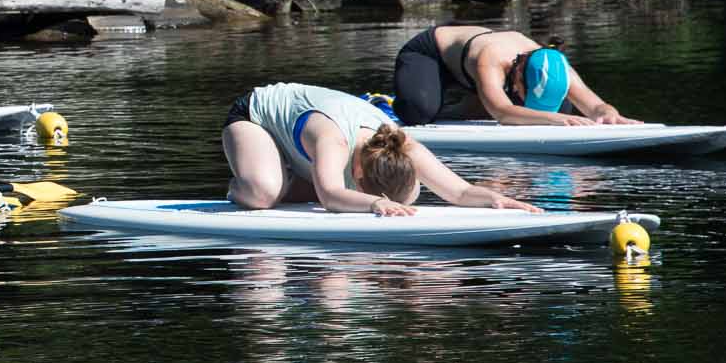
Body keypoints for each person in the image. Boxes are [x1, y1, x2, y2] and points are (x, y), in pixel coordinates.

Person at [223, 82, 538, 216]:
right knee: (262, 194)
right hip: (255, 118)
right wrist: (374, 203)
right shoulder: (333, 142)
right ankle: (242, 184)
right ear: (358, 169)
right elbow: (331, 196)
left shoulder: (403, 146)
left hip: (307, 146)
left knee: (389, 196)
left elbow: (459, 192)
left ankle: (287, 177)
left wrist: (496, 198)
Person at [391, 25, 639, 127]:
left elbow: (594, 104)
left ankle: (464, 103)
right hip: (430, 53)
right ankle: (429, 101)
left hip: (477, 73)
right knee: (418, 111)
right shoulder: (491, 57)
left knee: (565, 105)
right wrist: (555, 120)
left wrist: (609, 115)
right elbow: (501, 111)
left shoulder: (555, 65)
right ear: (518, 74)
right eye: (525, 93)